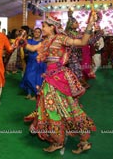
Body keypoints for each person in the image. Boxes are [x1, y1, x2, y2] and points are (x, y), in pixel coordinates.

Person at [25, 14, 97, 154]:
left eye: (44, 26)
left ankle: (79, 140)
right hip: (49, 78)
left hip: (60, 78)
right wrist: (22, 43)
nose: (42, 28)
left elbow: (82, 42)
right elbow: (32, 49)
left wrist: (90, 24)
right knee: (54, 108)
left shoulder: (61, 38)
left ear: (52, 27)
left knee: (69, 107)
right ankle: (63, 140)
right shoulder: (46, 41)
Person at [20, 25, 46, 100]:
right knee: (28, 76)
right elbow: (25, 50)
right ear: (33, 32)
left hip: (39, 62)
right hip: (30, 61)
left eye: (38, 32)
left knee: (37, 78)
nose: (37, 33)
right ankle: (29, 93)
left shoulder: (42, 42)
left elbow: (35, 50)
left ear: (40, 34)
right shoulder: (29, 41)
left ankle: (36, 94)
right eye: (35, 32)